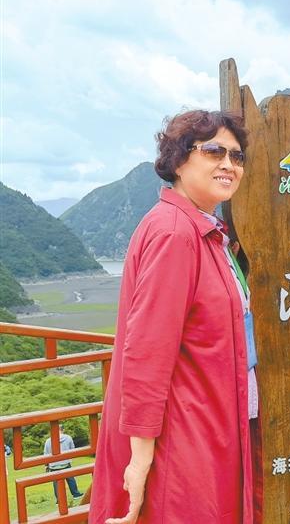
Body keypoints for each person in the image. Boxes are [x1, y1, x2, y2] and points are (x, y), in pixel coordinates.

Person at [89, 110, 259, 524]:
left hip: (208, 423)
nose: (229, 164)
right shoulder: (174, 233)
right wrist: (139, 460)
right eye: (214, 152)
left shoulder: (205, 231)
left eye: (237, 156)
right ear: (179, 160)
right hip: (181, 437)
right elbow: (147, 353)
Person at [44, 430, 84, 501]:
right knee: (71, 479)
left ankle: (59, 500)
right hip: (66, 463)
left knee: (56, 483)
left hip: (53, 465)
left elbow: (46, 454)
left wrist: (46, 465)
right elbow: (72, 449)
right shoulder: (68, 437)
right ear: (62, 430)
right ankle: (76, 494)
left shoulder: (48, 441)